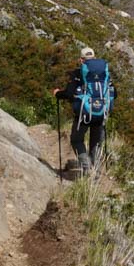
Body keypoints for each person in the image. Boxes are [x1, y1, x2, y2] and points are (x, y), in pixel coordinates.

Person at [54, 47, 115, 175]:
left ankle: (87, 168)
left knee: (76, 140)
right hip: (101, 114)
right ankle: (96, 173)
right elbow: (115, 93)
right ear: (94, 58)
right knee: (96, 143)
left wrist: (58, 94)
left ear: (81, 60)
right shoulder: (104, 73)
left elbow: (70, 94)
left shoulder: (78, 73)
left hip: (83, 115)